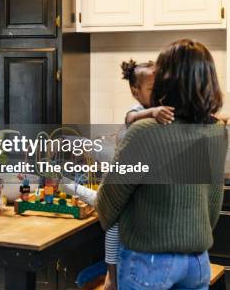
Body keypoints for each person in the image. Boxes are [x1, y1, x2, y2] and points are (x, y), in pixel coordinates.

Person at [96, 39, 227, 290]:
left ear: (167, 79)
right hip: (198, 261)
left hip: (149, 260)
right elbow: (213, 201)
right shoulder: (216, 130)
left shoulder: (145, 130)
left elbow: (109, 200)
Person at [120, 59, 174, 125]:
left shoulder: (161, 105)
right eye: (153, 88)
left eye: (161, 86)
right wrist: (152, 112)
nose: (159, 91)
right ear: (135, 92)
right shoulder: (138, 109)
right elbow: (131, 118)